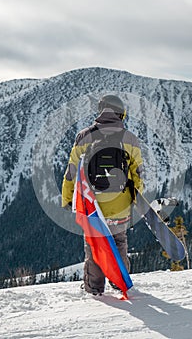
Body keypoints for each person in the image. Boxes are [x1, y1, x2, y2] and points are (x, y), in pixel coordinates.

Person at [62, 95, 143, 295]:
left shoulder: (84, 136)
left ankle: (94, 288)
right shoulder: (130, 138)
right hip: (120, 205)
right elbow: (137, 173)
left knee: (95, 245)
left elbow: (72, 171)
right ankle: (119, 282)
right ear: (121, 113)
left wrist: (67, 198)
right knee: (119, 243)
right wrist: (136, 197)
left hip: (92, 205)